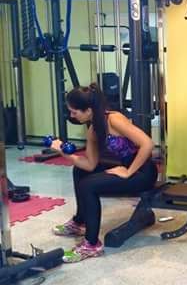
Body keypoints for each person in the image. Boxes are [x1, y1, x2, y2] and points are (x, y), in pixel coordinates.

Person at [51, 84, 158, 263]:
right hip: (126, 167)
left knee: (88, 186)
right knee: (79, 171)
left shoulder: (114, 119)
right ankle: (79, 221)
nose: (72, 116)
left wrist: (128, 172)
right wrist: (64, 153)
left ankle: (91, 245)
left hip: (143, 172)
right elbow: (89, 165)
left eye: (74, 112)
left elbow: (147, 143)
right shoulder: (93, 129)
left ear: (88, 110)